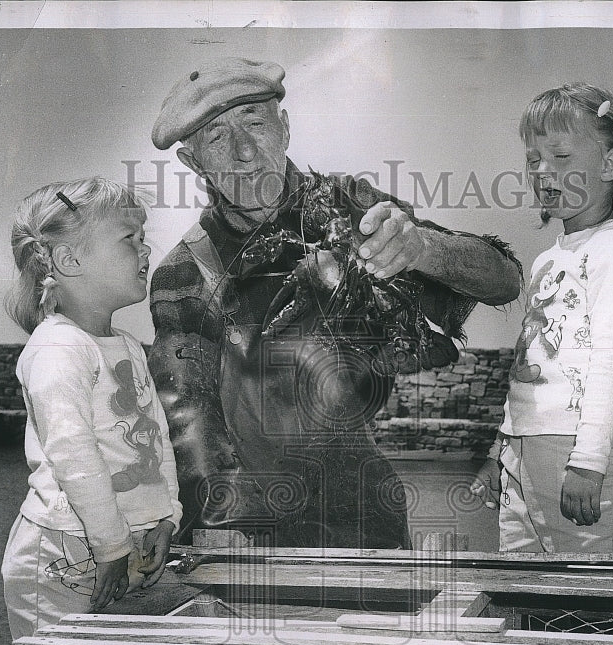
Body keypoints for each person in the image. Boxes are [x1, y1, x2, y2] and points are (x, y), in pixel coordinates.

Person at [147, 58, 521, 549]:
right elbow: (192, 422)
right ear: (194, 164)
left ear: (283, 126)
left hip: (363, 506)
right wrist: (223, 525)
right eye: (217, 138)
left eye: (255, 124)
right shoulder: (186, 274)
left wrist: (424, 249)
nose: (244, 151)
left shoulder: (354, 207)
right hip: (252, 523)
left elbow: (504, 280)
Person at [472, 83, 613, 554]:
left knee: (599, 576)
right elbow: (527, 365)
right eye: (534, 160)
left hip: (584, 446)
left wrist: (590, 463)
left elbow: (610, 361)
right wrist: (500, 452)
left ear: (611, 164)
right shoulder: (546, 261)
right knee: (522, 572)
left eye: (562, 156)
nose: (544, 171)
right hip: (525, 448)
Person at [1, 177, 183, 641]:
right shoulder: (59, 348)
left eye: (144, 239)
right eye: (129, 239)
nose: (146, 251)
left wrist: (167, 517)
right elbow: (74, 456)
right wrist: (112, 547)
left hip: (121, 546)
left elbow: (156, 440)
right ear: (69, 260)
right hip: (66, 553)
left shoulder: (126, 347)